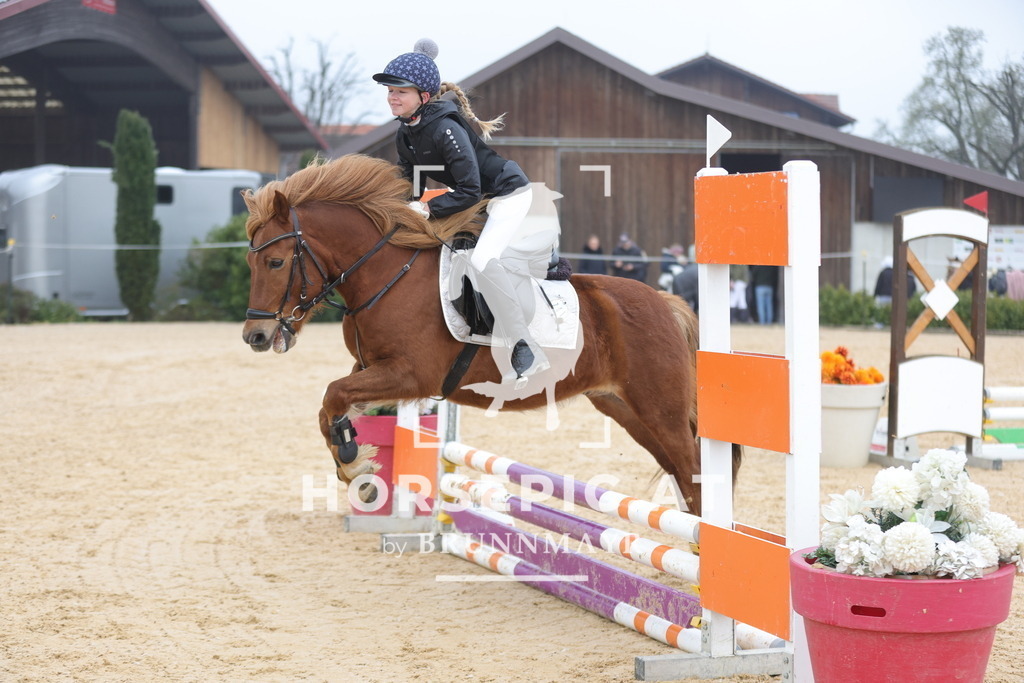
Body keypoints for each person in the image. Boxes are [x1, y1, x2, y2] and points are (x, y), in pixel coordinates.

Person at [373, 39, 548, 384]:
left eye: (400, 91)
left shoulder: (445, 128)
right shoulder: (406, 134)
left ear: (424, 96)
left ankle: (525, 346)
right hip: (475, 198)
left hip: (507, 196)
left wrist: (425, 209)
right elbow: (408, 184)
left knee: (482, 261)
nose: (392, 97)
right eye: (389, 91)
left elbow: (467, 190)